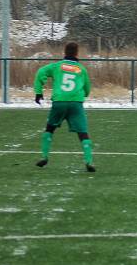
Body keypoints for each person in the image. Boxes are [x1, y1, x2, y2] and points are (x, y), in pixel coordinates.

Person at [33, 41, 96, 172]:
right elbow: (87, 88)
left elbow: (40, 72)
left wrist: (39, 92)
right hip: (76, 103)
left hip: (59, 102)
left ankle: (44, 157)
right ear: (77, 53)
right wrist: (81, 95)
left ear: (65, 52)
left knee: (49, 129)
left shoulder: (57, 66)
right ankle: (89, 161)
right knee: (83, 133)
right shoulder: (81, 69)